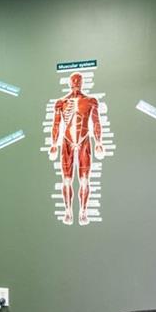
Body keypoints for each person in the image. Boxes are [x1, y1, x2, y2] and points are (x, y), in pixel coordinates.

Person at [48, 72, 105, 226]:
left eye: (78, 81)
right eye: (74, 81)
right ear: (69, 83)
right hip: (67, 142)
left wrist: (99, 142)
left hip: (84, 140)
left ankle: (83, 211)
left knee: (84, 180)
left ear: (82, 82)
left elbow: (96, 122)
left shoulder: (90, 101)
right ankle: (68, 211)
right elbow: (56, 124)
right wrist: (54, 144)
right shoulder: (61, 102)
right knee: (66, 180)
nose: (76, 83)